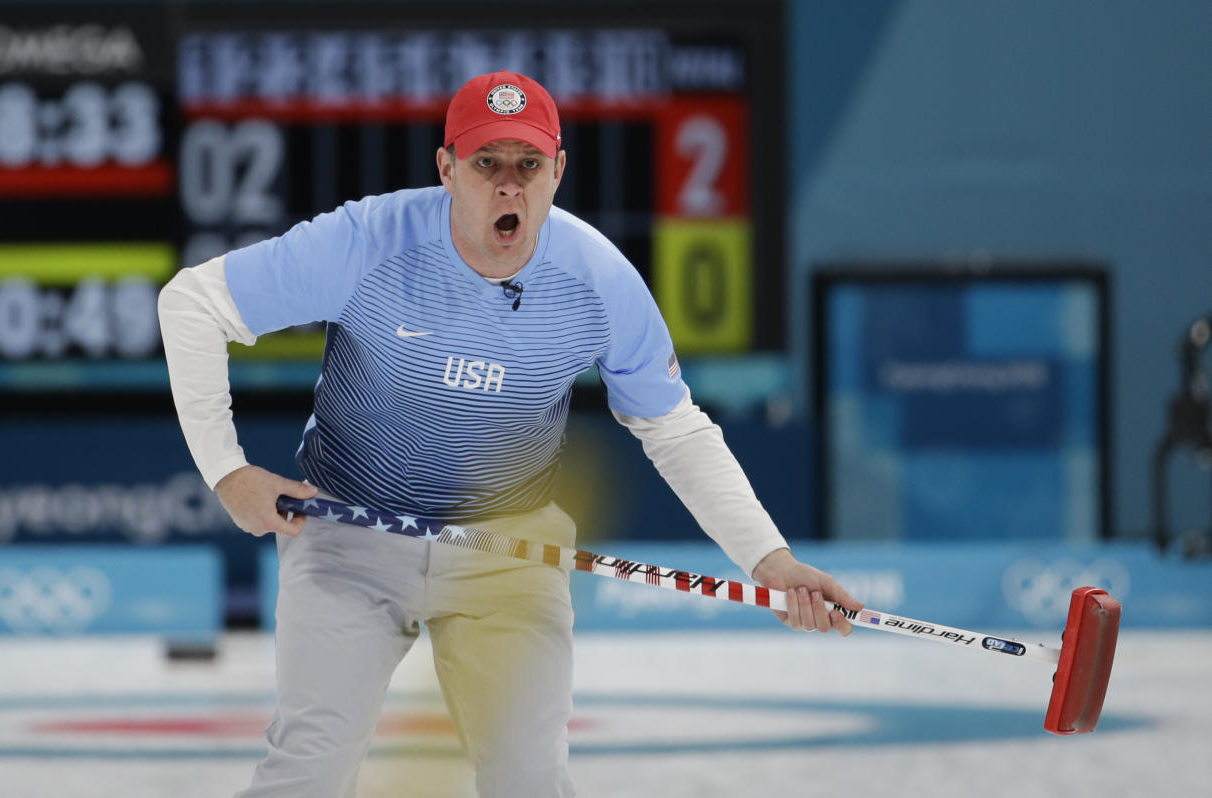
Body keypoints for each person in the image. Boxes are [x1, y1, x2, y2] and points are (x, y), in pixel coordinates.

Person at [157, 70, 863, 798]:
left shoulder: (599, 281)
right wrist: (227, 472)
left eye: (528, 166)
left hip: (507, 550)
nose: (508, 187)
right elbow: (190, 304)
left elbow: (674, 429)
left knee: (529, 779)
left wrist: (770, 561)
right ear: (446, 169)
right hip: (350, 538)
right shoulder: (366, 241)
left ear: (558, 170)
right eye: (485, 164)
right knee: (311, 767)